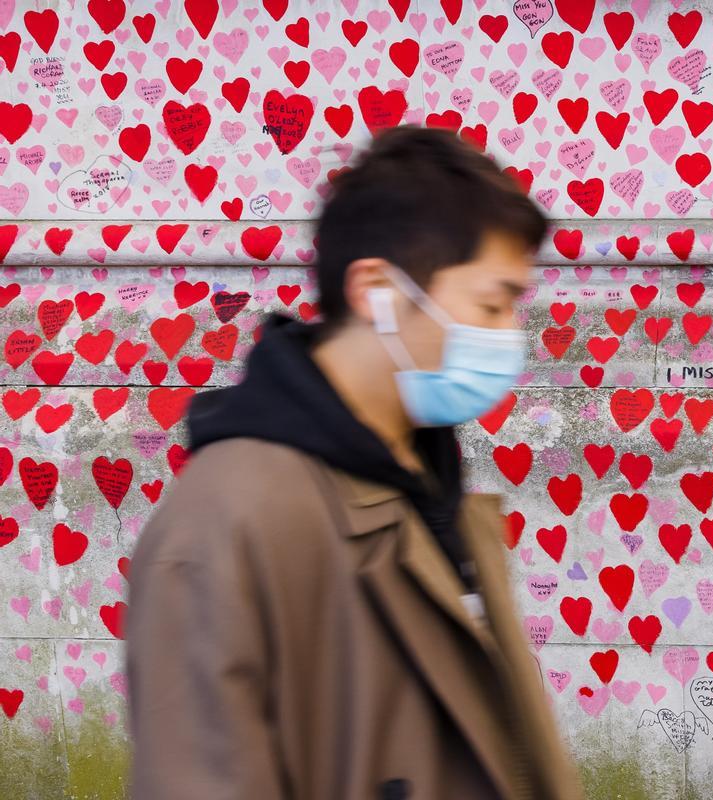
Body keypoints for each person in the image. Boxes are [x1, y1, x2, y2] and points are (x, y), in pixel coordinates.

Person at [124, 126, 586, 800]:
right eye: (491, 303)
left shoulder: (431, 482)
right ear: (378, 290)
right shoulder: (227, 523)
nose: (510, 334)